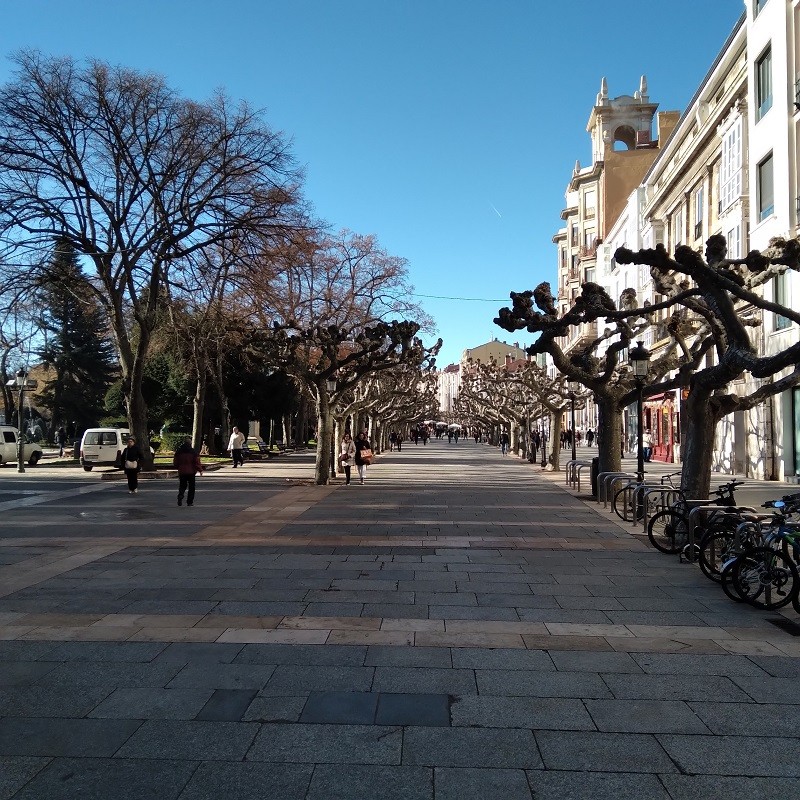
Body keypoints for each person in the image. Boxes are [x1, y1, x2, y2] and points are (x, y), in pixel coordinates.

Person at [173, 436, 204, 506]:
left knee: (182, 485)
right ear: (190, 443)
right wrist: (200, 470)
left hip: (182, 471)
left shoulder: (178, 451)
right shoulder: (193, 452)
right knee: (191, 487)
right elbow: (196, 462)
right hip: (191, 471)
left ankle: (180, 495)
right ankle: (189, 502)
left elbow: (175, 462)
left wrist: (178, 467)